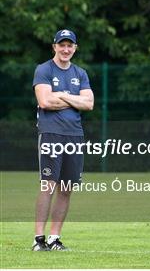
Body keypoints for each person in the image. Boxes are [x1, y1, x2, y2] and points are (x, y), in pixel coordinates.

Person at [31, 29, 94, 251]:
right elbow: (45, 102)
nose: (66, 49)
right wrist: (75, 99)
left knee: (66, 188)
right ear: (54, 47)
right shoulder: (44, 70)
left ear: (75, 48)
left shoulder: (81, 73)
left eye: (70, 45)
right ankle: (38, 239)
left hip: (74, 134)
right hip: (51, 133)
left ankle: (54, 239)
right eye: (62, 45)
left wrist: (63, 95)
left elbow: (89, 104)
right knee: (48, 185)